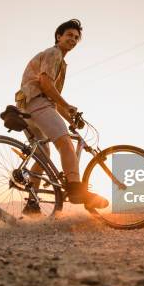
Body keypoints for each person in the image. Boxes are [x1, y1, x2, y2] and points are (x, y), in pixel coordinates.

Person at [15, 19, 109, 215]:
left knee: (42, 155)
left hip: (27, 106)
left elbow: (53, 99)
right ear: (59, 36)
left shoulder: (59, 61)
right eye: (69, 35)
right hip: (37, 101)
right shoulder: (54, 53)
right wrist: (67, 106)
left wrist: (70, 118)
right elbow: (46, 85)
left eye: (76, 38)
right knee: (65, 143)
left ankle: (32, 204)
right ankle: (76, 190)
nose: (73, 40)